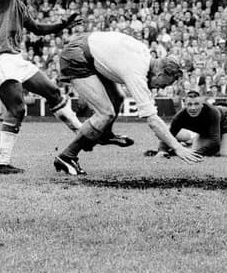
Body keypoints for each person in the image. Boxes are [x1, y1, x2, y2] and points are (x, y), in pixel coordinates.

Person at [0, 0, 131, 175]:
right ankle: (1, 162)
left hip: (14, 58)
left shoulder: (20, 6)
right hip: (0, 59)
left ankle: (83, 134)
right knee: (18, 109)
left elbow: (39, 29)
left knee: (53, 92)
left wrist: (63, 24)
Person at [52, 31, 201, 174]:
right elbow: (153, 120)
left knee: (118, 97)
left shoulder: (145, 55)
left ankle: (105, 134)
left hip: (87, 48)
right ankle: (67, 156)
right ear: (160, 73)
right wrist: (177, 147)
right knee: (105, 113)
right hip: (77, 56)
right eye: (163, 84)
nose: (161, 88)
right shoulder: (137, 72)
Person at [165, 86, 227, 157]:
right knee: (202, 152)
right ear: (185, 105)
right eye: (189, 104)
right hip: (208, 127)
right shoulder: (180, 116)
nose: (193, 108)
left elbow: (215, 142)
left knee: (224, 155)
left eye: (196, 104)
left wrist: (198, 153)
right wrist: (162, 151)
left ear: (202, 104)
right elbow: (168, 134)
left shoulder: (212, 112)